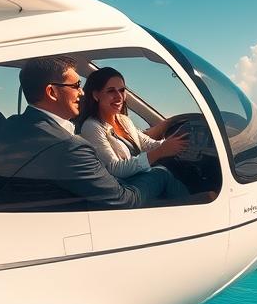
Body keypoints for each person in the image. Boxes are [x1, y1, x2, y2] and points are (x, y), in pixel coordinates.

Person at [0, 57, 142, 209]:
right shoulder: (69, 146)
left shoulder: (11, 125)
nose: (82, 93)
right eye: (76, 86)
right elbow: (123, 200)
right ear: (52, 92)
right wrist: (159, 174)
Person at [75, 66, 190, 202]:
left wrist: (174, 144)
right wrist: (160, 152)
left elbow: (146, 144)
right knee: (162, 173)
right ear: (96, 95)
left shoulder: (124, 120)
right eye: (111, 91)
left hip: (137, 177)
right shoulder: (92, 127)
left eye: (122, 90)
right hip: (123, 186)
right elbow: (114, 169)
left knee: (167, 170)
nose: (119, 96)